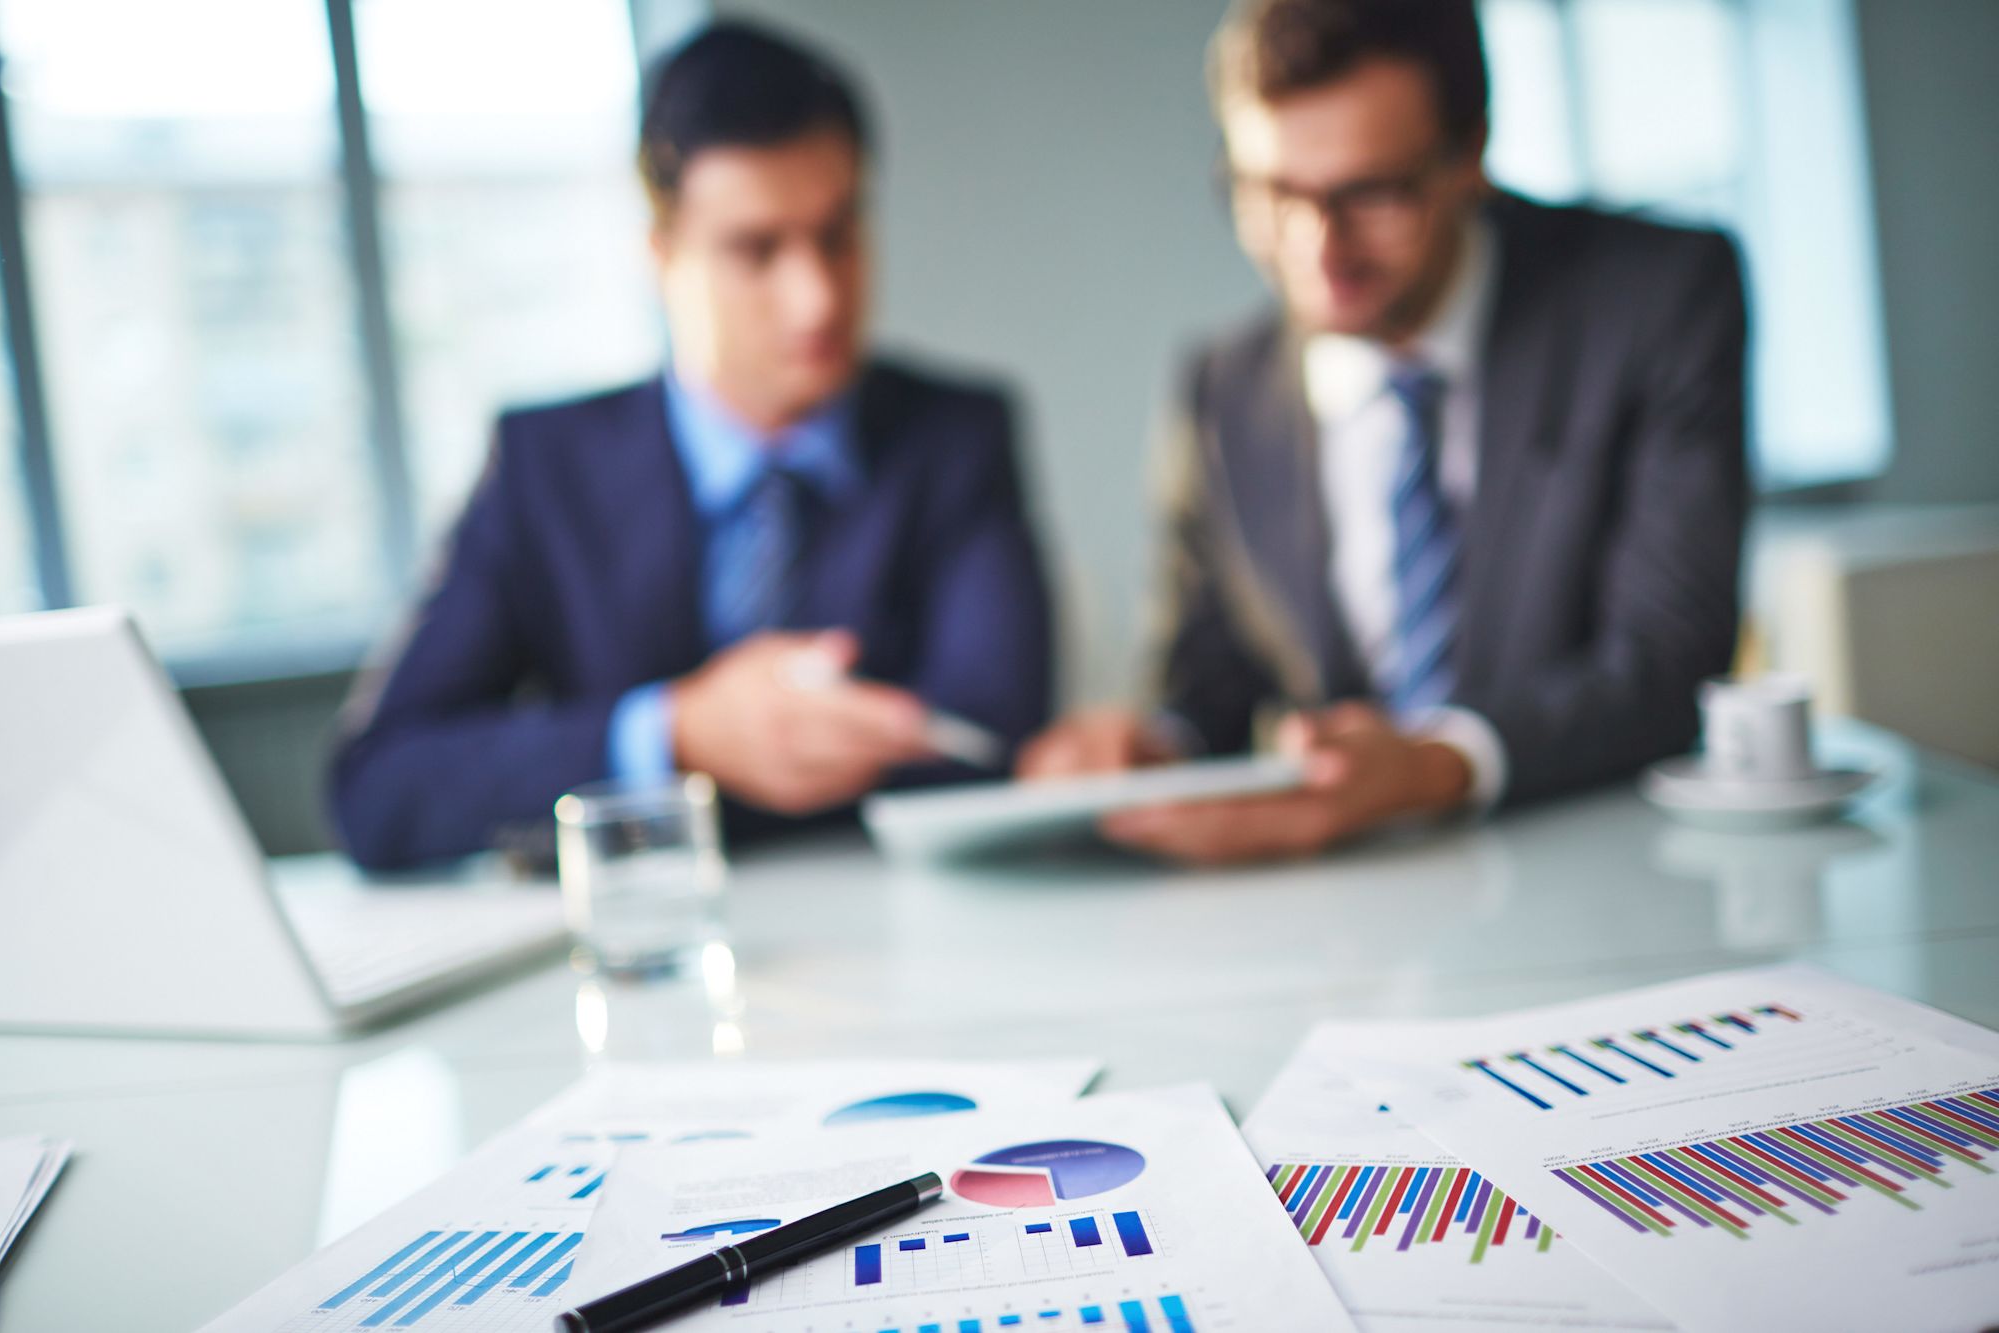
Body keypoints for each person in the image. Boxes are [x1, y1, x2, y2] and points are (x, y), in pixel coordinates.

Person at [1020, 0, 1747, 863]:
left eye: (1370, 194)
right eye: (1272, 192)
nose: (1316, 250)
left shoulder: (1655, 298)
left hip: (1623, 874)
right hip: (1349, 920)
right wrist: (1155, 747)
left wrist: (1435, 766)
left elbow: (1668, 660)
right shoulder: (1221, 387)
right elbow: (1208, 678)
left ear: (1470, 153)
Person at [331, 21, 1053, 869]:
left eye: (838, 235)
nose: (815, 298)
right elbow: (376, 789)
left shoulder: (955, 439)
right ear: (662, 253)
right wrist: (675, 731)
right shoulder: (543, 466)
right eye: (757, 250)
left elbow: (1000, 738)